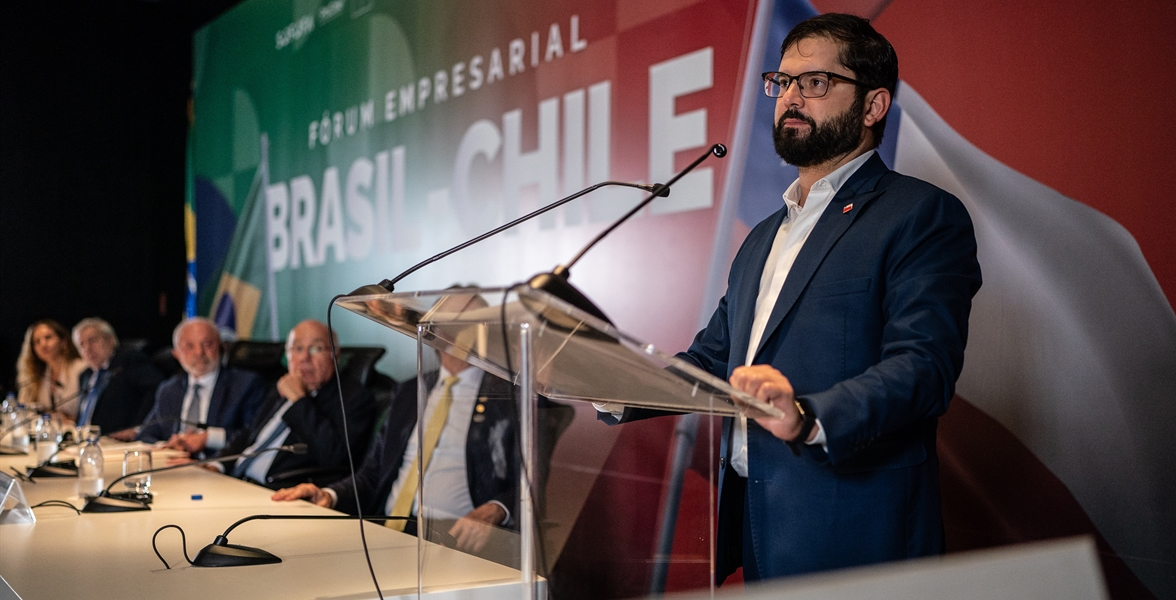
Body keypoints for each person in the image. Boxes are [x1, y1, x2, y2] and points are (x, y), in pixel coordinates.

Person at [601, 14, 982, 582]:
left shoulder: (920, 215)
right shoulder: (762, 237)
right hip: (757, 522)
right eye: (782, 82)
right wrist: (608, 383)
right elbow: (712, 360)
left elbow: (923, 368)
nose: (790, 97)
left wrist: (807, 415)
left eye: (816, 83)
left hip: (855, 531)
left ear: (874, 106)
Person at [271, 347, 524, 563]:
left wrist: (496, 509)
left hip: (455, 539)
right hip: (388, 529)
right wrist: (329, 494)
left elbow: (531, 479)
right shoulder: (409, 391)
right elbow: (373, 474)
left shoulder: (510, 395)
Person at [214, 319, 374, 490]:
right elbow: (249, 434)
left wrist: (298, 400)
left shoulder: (354, 398)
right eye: (297, 349)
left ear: (335, 356)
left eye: (316, 348)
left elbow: (334, 456)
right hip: (235, 481)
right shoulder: (281, 388)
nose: (305, 357)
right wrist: (217, 465)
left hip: (278, 492)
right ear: (287, 355)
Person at [136, 318, 266, 457]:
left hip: (216, 470)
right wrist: (168, 446)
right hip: (174, 465)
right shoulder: (169, 389)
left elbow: (254, 434)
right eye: (190, 346)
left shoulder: (245, 384)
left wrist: (209, 438)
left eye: (207, 344)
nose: (199, 352)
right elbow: (146, 435)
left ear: (221, 347)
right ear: (176, 354)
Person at [72, 318, 163, 436]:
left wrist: (138, 427)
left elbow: (156, 389)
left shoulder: (128, 361)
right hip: (83, 440)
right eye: (81, 344)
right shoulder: (85, 375)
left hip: (116, 441)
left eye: (92, 340)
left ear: (111, 340)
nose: (87, 348)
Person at [15, 319, 88, 420]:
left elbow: (91, 410)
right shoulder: (35, 375)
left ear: (63, 341)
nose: (43, 344)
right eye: (37, 342)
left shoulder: (82, 369)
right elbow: (23, 408)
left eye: (48, 338)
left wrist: (68, 418)